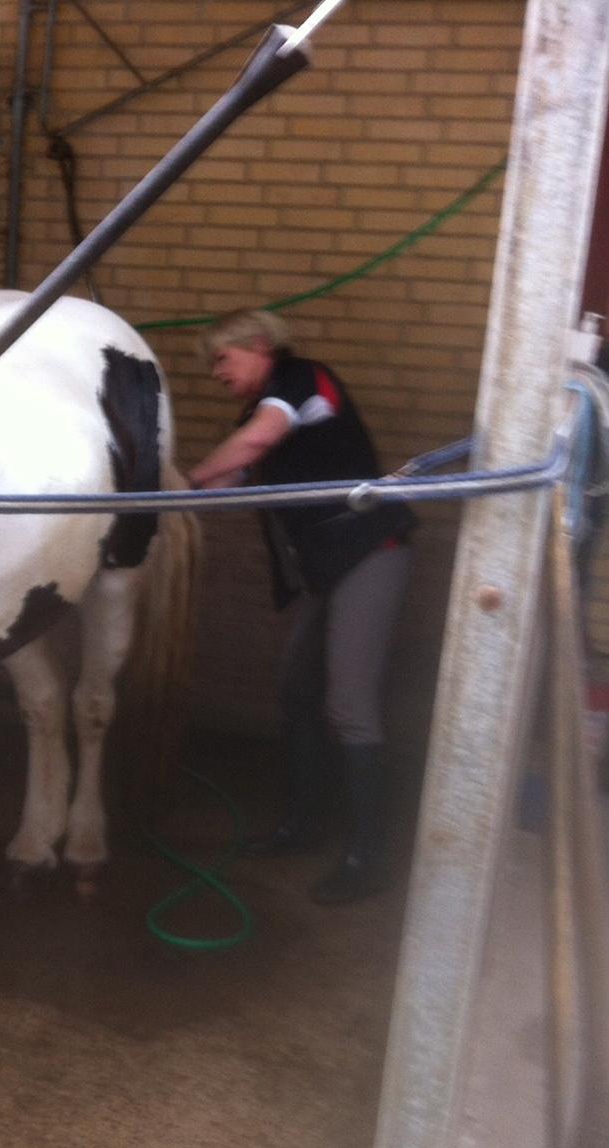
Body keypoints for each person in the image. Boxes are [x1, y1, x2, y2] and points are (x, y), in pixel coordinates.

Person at [187, 309, 416, 905]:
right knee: (296, 692)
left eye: (222, 358)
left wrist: (187, 480)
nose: (217, 373)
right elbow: (230, 479)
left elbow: (255, 443)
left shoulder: (303, 381)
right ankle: (303, 825)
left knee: (349, 704)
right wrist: (159, 497)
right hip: (327, 569)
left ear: (260, 345)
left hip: (371, 554)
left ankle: (366, 858)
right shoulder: (259, 415)